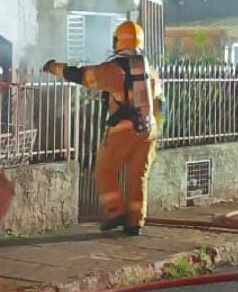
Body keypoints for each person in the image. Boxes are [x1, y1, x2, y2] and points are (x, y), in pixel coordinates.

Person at [43, 21, 163, 235]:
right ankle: (135, 223)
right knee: (139, 177)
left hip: (123, 131)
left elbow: (82, 76)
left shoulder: (115, 70)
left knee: (105, 170)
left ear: (118, 41)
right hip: (149, 132)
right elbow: (158, 100)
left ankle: (115, 212)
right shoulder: (149, 70)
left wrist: (54, 67)